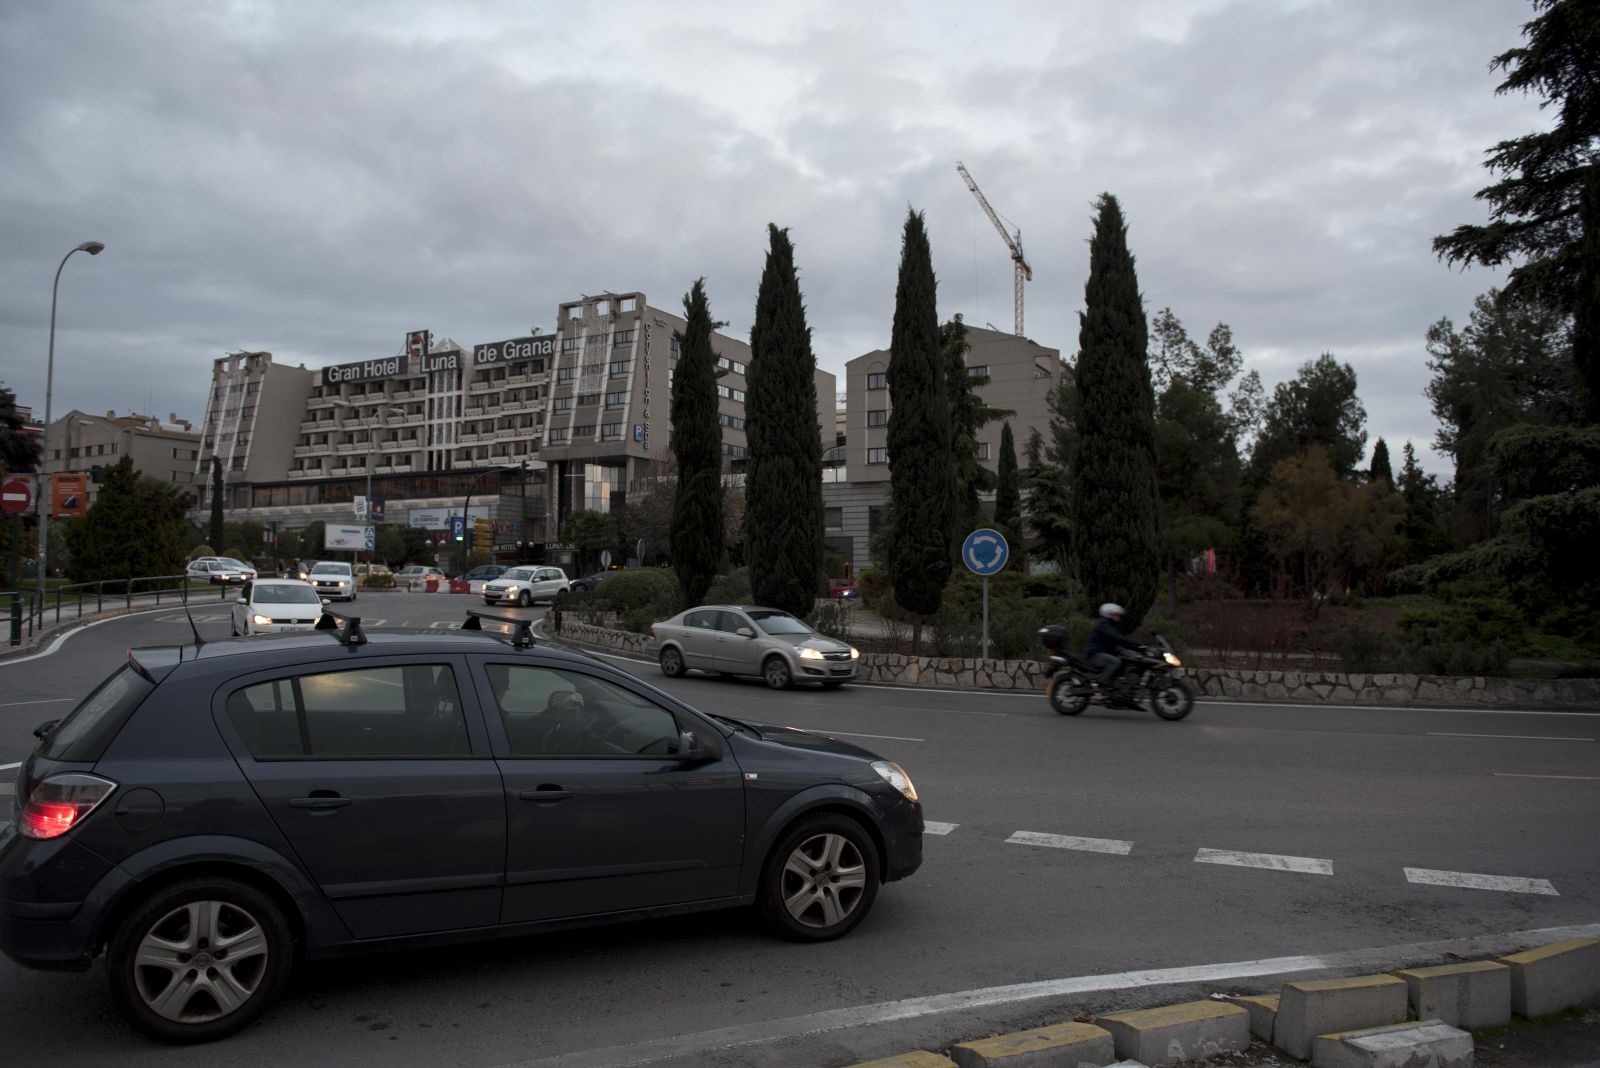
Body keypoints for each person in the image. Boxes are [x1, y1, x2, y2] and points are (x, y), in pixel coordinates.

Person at [1086, 603, 1142, 704]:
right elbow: (1117, 638)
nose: (1118, 617)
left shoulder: (1109, 625)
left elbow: (1116, 639)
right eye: (1116, 615)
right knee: (1115, 662)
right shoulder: (1103, 624)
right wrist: (1134, 644)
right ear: (1109, 614)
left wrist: (1135, 648)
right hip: (1096, 654)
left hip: (1105, 652)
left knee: (1127, 658)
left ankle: (1119, 687)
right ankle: (1102, 684)